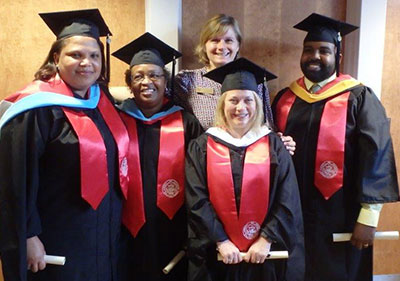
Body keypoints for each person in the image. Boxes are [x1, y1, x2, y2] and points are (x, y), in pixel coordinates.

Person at [0, 9, 130, 281]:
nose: (87, 63)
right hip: (55, 237)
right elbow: (14, 180)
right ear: (56, 58)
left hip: (102, 237)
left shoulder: (102, 103)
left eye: (94, 56)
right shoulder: (34, 108)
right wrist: (28, 235)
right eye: (76, 55)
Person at [272, 13, 399, 281]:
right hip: (290, 212)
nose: (314, 56)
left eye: (324, 51)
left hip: (340, 214)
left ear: (337, 57)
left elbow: (376, 155)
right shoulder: (285, 98)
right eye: (309, 50)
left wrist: (369, 217)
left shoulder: (358, 97)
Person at [185, 57, 304, 281]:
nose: (241, 108)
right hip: (218, 255)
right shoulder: (202, 146)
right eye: (234, 100)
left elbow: (287, 197)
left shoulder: (273, 145)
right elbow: (196, 198)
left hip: (262, 255)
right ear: (222, 104)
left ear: (257, 104)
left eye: (248, 100)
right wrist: (220, 240)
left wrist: (266, 238)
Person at [112, 32, 204, 281]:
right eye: (138, 76)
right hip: (123, 228)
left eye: (155, 75)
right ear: (129, 83)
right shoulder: (115, 121)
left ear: (166, 81)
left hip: (174, 229)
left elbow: (200, 181)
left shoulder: (186, 122)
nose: (146, 82)